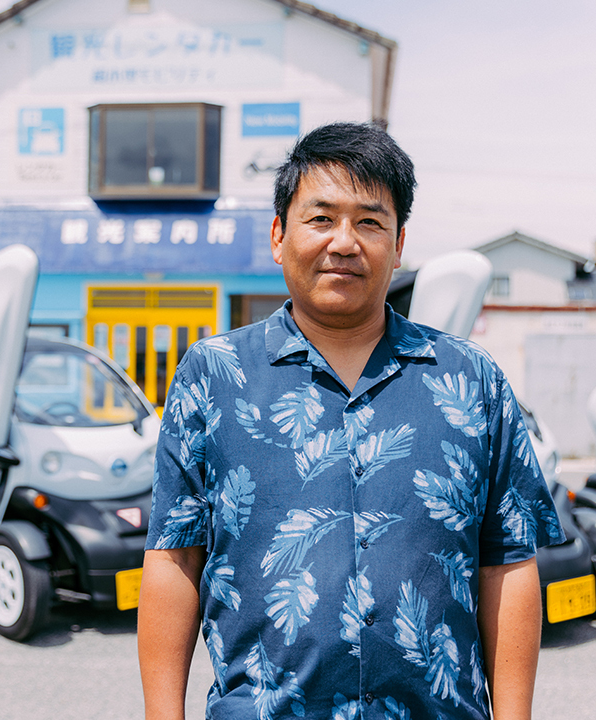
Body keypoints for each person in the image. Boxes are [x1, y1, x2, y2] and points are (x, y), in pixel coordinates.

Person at [138, 122, 564, 720]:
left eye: (369, 222)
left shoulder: (472, 380)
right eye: (321, 219)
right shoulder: (213, 375)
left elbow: (508, 561)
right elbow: (174, 558)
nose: (344, 242)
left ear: (399, 243)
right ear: (279, 236)